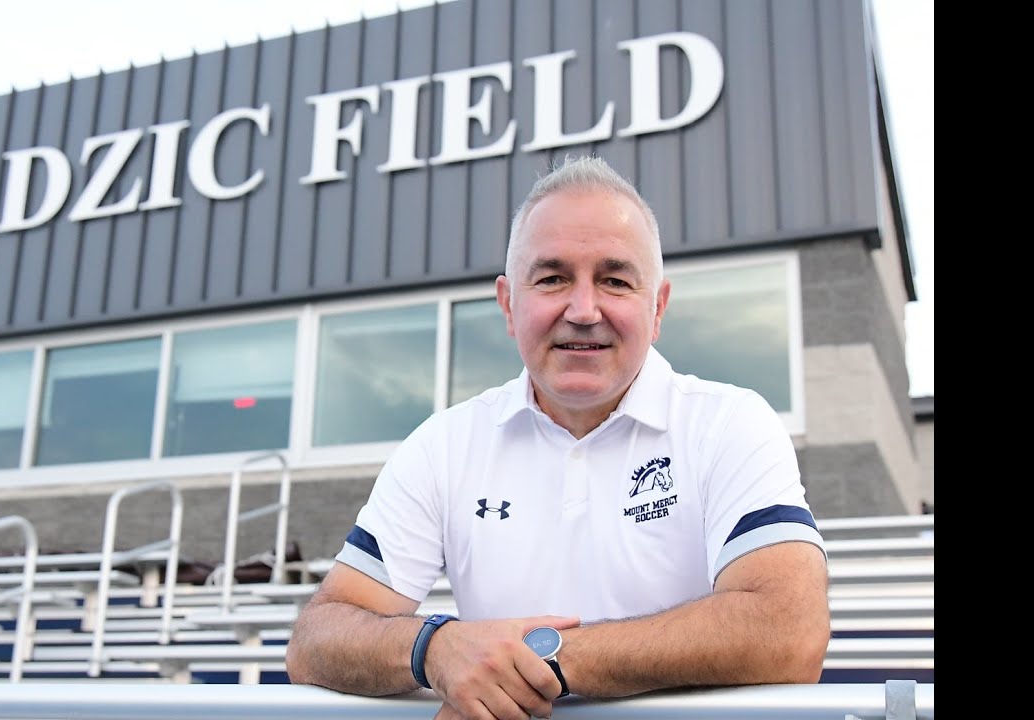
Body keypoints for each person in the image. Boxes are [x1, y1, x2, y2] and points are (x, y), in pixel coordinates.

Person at [284, 154, 831, 720]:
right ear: (508, 304)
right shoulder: (443, 444)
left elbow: (789, 628)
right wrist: (434, 648)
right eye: (553, 279)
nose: (584, 309)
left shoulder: (728, 423)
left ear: (658, 306)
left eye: (615, 280)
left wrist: (537, 662)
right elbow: (317, 639)